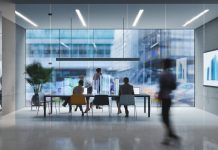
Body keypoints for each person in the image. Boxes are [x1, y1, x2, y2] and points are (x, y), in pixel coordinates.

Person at [158, 58, 180, 145]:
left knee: (164, 118)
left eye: (162, 63)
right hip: (169, 98)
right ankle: (171, 134)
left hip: (164, 98)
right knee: (166, 117)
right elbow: (174, 87)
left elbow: (161, 88)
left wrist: (159, 97)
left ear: (164, 64)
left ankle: (168, 137)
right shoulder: (172, 74)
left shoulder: (162, 74)